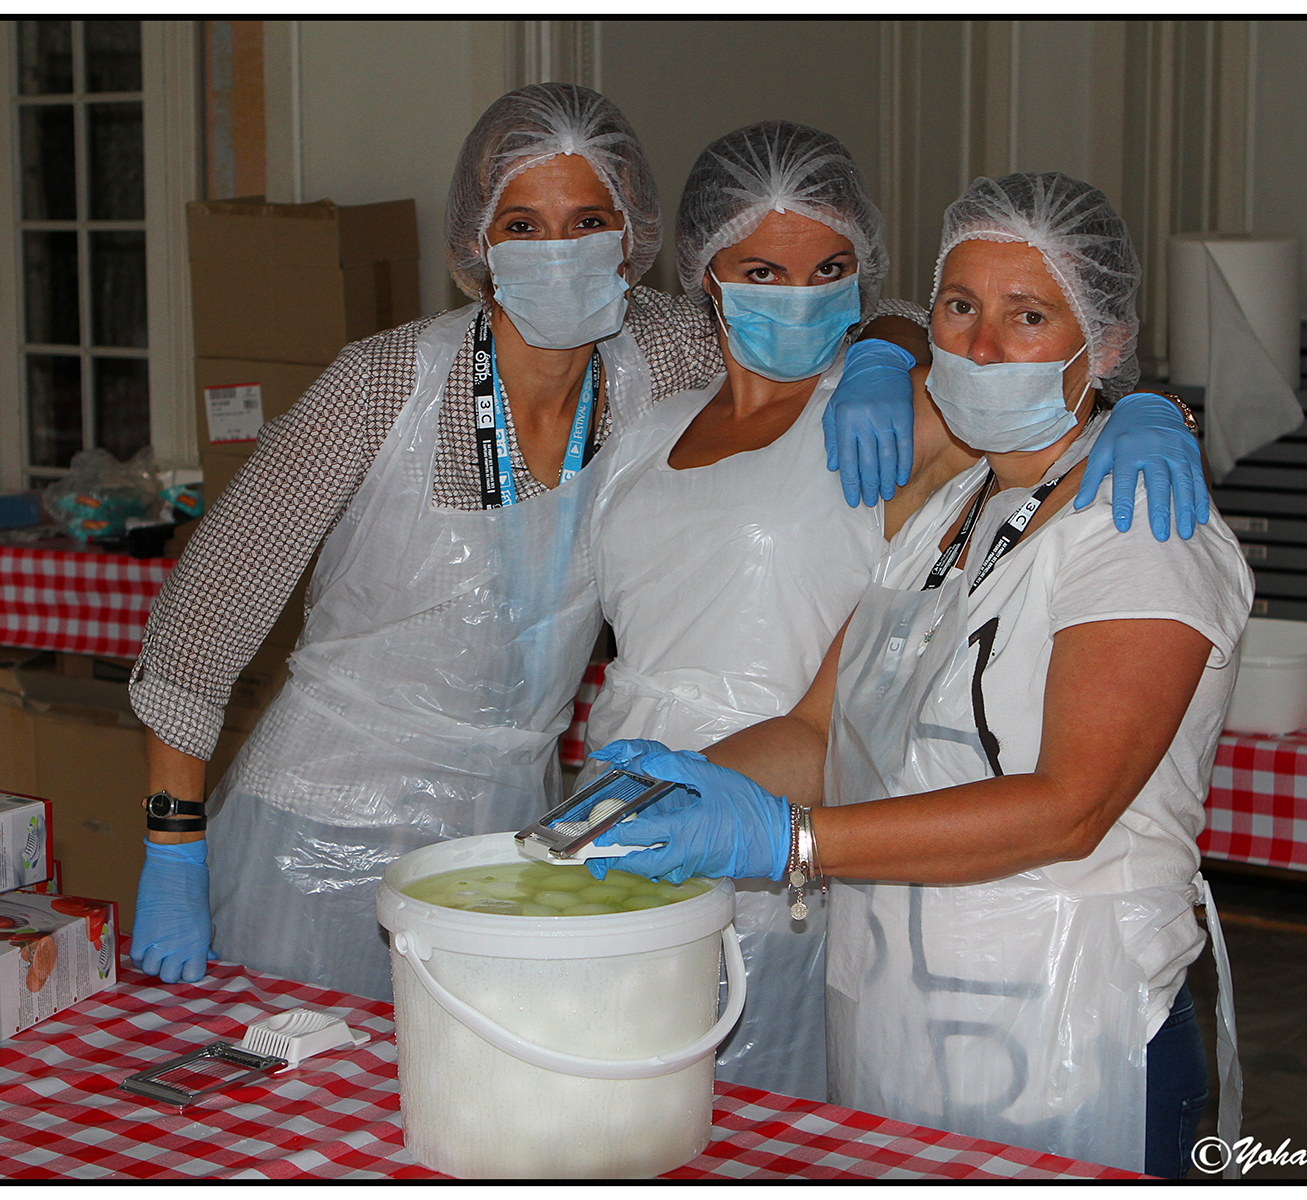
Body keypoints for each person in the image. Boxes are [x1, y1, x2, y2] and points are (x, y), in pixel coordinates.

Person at [125, 84, 933, 998]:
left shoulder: (664, 354)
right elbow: (201, 625)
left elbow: (846, 299)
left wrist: (884, 353)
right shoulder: (384, 382)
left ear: (633, 237)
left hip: (507, 837)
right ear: (477, 244)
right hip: (318, 822)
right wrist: (172, 847)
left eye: (588, 220)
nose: (560, 251)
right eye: (523, 225)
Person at [589, 172, 1249, 1176]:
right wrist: (674, 791)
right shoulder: (947, 509)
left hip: (1068, 1026)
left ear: (1107, 343)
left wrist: (792, 840)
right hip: (893, 1016)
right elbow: (820, 730)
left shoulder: (1138, 525)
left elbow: (1069, 808)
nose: (981, 347)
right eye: (959, 307)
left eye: (1030, 316)